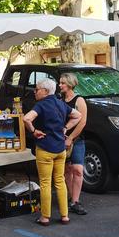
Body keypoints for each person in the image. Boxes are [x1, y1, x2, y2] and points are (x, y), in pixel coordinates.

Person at [23, 78, 82, 226]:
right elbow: (78, 116)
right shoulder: (61, 103)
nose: (35, 92)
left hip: (45, 149)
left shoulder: (41, 105)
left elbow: (26, 118)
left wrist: (34, 131)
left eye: (37, 90)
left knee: (45, 183)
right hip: (60, 149)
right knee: (60, 181)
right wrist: (65, 128)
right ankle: (65, 216)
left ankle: (45, 217)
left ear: (45, 91)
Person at [59, 73, 88, 215]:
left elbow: (82, 122)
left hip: (77, 139)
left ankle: (76, 201)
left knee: (77, 169)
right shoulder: (59, 99)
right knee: (66, 170)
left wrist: (70, 138)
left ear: (70, 84)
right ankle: (71, 198)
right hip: (61, 138)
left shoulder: (79, 100)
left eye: (62, 83)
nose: (60, 85)